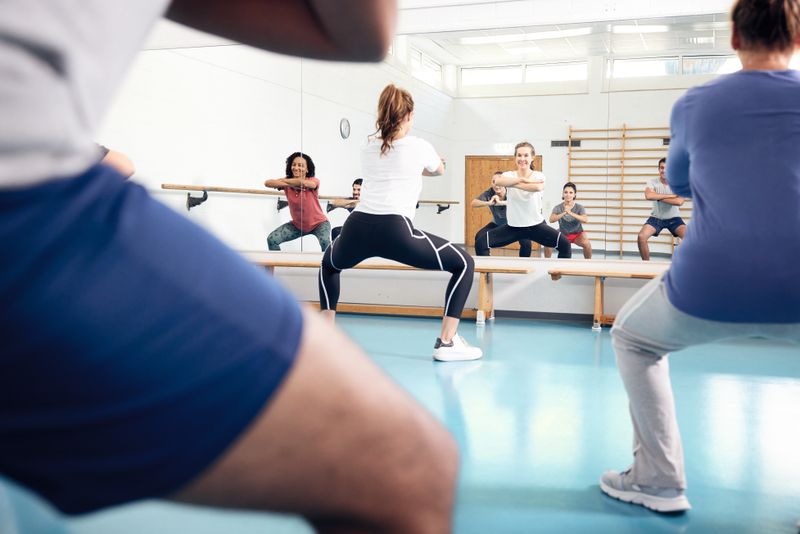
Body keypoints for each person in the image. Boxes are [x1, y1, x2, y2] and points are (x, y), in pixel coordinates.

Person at [0, 2, 462, 532]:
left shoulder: (341, 163)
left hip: (329, 223)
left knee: (328, 249)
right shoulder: (398, 147)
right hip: (28, 215)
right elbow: (364, 33)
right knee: (408, 467)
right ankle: (424, 335)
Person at [599, 0, 800, 519]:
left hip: (709, 285)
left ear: (734, 35)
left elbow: (682, 183)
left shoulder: (696, 103)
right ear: (798, 36)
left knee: (633, 338)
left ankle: (659, 481)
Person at [319, 84, 482, 362]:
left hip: (357, 227)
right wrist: (435, 162)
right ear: (408, 115)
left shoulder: (367, 145)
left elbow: (394, 164)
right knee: (464, 263)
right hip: (395, 230)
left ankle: (324, 339)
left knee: (328, 264)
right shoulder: (419, 146)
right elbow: (438, 170)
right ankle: (447, 342)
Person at [475, 142, 571, 258]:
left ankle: (557, 272)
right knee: (481, 243)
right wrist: (522, 180)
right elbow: (498, 181)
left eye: (526, 155)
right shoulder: (508, 174)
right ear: (515, 157)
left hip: (535, 226)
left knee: (565, 245)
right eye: (519, 155)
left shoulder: (538, 175)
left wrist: (514, 184)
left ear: (532, 157)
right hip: (513, 227)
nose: (522, 159)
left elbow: (537, 187)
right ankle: (486, 275)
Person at [265, 152, 331, 251]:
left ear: (307, 169)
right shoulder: (287, 181)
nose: (296, 168)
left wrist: (285, 182)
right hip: (297, 226)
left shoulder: (313, 180)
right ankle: (275, 265)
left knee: (325, 242)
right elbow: (268, 183)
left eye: (301, 165)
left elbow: (305, 183)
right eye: (294, 165)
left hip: (319, 224)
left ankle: (327, 266)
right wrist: (290, 182)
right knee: (272, 239)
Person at [471, 172, 532, 257]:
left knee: (526, 242)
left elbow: (521, 203)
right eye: (494, 182)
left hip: (515, 224)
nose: (497, 185)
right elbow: (473, 203)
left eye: (499, 182)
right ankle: (486, 264)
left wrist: (501, 202)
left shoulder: (512, 191)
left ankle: (524, 264)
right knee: (479, 236)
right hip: (497, 223)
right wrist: (488, 203)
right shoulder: (490, 193)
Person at [637, 157, 687, 261]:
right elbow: (649, 196)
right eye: (661, 168)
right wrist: (672, 196)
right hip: (656, 218)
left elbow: (679, 202)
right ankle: (646, 266)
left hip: (674, 219)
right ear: (659, 169)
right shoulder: (652, 181)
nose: (663, 170)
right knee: (641, 237)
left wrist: (658, 197)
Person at [544, 182, 592, 259]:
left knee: (587, 244)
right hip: (563, 234)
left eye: (571, 192)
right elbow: (551, 220)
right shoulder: (558, 207)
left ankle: (588, 263)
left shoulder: (579, 207)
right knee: (547, 243)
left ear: (574, 195)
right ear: (563, 194)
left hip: (577, 234)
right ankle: (547, 262)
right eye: (565, 192)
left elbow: (585, 220)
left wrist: (570, 212)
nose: (568, 195)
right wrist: (564, 212)